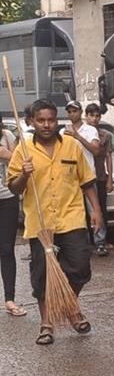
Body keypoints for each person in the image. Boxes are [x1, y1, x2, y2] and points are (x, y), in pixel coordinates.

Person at [7, 99, 103, 345]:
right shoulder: (23, 150)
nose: (47, 125)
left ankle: (69, 305)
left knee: (81, 269)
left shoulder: (71, 146)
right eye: (41, 120)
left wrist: (97, 211)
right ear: (32, 122)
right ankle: (47, 323)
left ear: (56, 121)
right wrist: (24, 174)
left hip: (71, 218)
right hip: (40, 224)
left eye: (51, 120)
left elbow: (87, 182)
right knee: (42, 276)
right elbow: (15, 188)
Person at [62, 100, 105, 255]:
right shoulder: (63, 131)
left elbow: (95, 150)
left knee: (94, 208)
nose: (72, 114)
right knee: (76, 212)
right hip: (70, 177)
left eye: (75, 111)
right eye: (69, 111)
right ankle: (82, 243)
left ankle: (100, 242)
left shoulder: (90, 130)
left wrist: (77, 136)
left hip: (88, 176)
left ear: (80, 112)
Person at [0, 121, 26, 316]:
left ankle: (10, 299)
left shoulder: (7, 136)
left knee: (7, 249)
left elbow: (16, 161)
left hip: (7, 198)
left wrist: (11, 151)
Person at [84, 103, 112, 256]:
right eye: (91, 115)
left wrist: (109, 179)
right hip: (82, 177)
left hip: (99, 176)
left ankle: (101, 242)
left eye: (97, 116)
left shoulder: (105, 135)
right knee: (82, 211)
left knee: (99, 208)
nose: (94, 118)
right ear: (86, 116)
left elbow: (108, 157)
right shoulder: (80, 133)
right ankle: (86, 242)